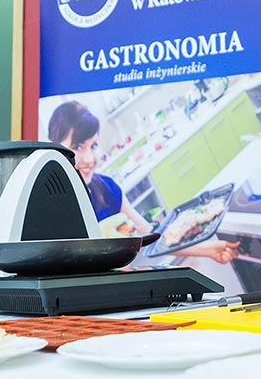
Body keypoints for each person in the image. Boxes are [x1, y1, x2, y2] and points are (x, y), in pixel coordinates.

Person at [46, 101, 241, 264]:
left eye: (94, 145)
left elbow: (149, 236)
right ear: (55, 148)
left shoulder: (107, 188)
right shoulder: (49, 207)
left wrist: (207, 249)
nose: (89, 159)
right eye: (78, 147)